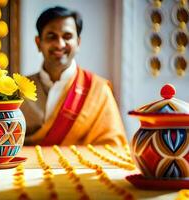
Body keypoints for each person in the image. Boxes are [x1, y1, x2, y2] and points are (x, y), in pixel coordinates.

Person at [21, 6, 127, 146]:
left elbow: (112, 146)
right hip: (26, 168)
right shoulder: (18, 90)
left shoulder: (97, 90)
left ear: (78, 42)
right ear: (38, 42)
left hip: (82, 167)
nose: (60, 44)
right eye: (51, 36)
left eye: (67, 36)